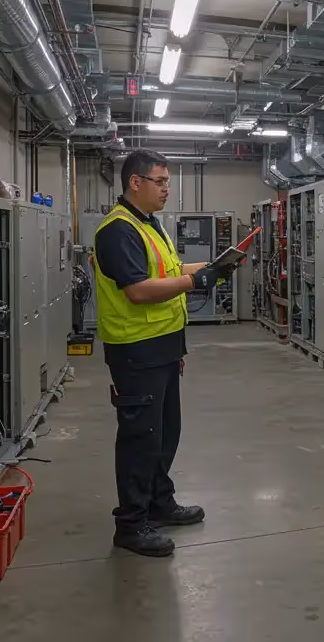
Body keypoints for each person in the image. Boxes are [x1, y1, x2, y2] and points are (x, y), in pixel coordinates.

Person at [93, 149, 238, 557]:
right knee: (141, 437)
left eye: (168, 182)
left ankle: (159, 499)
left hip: (161, 347)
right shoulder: (117, 230)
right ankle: (132, 524)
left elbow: (168, 271)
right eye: (160, 181)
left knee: (165, 434)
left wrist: (212, 266)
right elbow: (139, 290)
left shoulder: (149, 225)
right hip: (136, 351)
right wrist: (197, 282)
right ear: (135, 182)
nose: (166, 189)